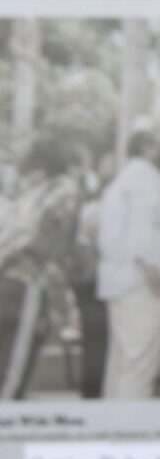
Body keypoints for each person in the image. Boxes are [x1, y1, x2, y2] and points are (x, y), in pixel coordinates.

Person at [0, 136, 82, 399]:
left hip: (11, 280)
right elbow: (35, 239)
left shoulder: (25, 193)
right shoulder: (61, 190)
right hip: (27, 282)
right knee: (14, 367)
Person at [96, 130, 160, 400]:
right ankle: (129, 432)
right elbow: (142, 227)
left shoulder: (121, 181)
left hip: (118, 280)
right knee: (140, 364)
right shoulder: (147, 178)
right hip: (139, 279)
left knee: (121, 362)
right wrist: (150, 268)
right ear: (149, 148)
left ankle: (112, 426)